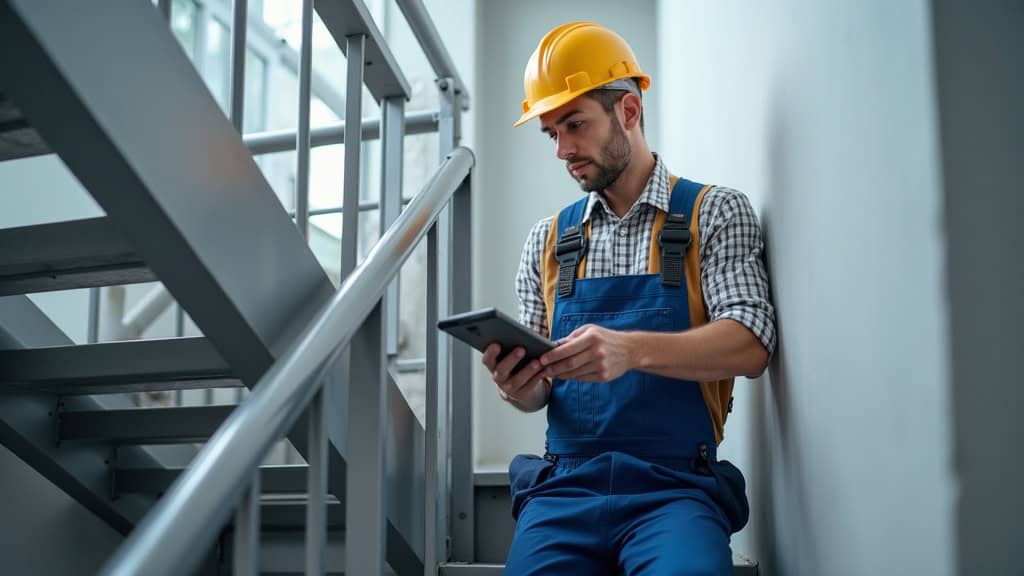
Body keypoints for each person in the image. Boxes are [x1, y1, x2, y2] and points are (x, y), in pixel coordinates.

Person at [481, 21, 777, 575]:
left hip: (676, 490)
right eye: (551, 133)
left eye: (575, 124)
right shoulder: (547, 241)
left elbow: (751, 343)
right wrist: (517, 387)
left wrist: (631, 350)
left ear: (629, 111)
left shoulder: (714, 213)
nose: (563, 150)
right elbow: (539, 393)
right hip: (564, 490)